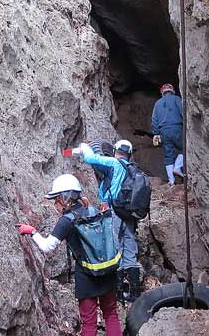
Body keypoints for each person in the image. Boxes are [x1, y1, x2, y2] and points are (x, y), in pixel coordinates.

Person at [18, 174, 122, 336]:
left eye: (56, 200)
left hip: (87, 275)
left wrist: (32, 232)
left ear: (63, 198)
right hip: (108, 270)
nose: (55, 204)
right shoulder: (92, 210)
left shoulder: (66, 221)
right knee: (111, 314)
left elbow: (47, 247)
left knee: (89, 323)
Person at [74, 140, 144, 302]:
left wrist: (84, 147)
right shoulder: (132, 169)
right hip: (129, 214)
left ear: (115, 150)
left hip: (114, 212)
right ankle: (134, 293)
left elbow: (91, 159)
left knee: (114, 247)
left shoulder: (114, 163)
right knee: (129, 247)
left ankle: (118, 293)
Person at [151, 83, 185, 185]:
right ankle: (178, 167)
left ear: (162, 92)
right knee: (185, 148)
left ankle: (171, 181)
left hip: (163, 131)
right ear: (172, 91)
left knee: (168, 155)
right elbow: (183, 113)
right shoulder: (177, 99)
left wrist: (156, 133)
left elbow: (154, 120)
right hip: (177, 128)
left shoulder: (157, 103)